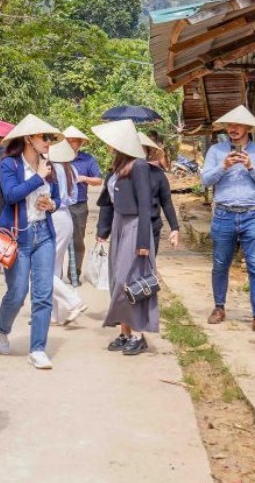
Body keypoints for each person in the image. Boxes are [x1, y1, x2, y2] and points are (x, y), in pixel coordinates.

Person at [199, 106, 255, 336]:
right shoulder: (216, 151)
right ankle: (219, 307)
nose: (232, 129)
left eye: (237, 125)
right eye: (229, 125)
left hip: (252, 214)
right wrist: (223, 166)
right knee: (220, 264)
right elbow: (205, 179)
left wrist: (251, 166)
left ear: (248, 128)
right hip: (224, 213)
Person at [0, 114, 62, 370]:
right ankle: (1, 327)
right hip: (18, 236)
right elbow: (10, 195)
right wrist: (37, 177)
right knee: (18, 293)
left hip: (44, 233)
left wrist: (52, 204)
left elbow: (57, 198)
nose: (48, 142)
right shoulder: (10, 164)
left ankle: (38, 349)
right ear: (29, 139)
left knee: (43, 295)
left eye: (50, 138)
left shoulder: (48, 165)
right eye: (45, 137)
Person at [92, 119, 160, 357]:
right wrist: (103, 231)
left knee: (129, 279)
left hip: (134, 226)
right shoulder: (115, 167)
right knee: (116, 280)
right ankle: (125, 332)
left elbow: (145, 206)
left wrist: (143, 241)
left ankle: (139, 335)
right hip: (119, 225)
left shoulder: (139, 166)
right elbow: (107, 203)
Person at [48, 138, 89, 324]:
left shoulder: (49, 169)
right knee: (55, 267)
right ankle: (52, 314)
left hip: (52, 216)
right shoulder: (71, 169)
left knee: (43, 269)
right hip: (66, 217)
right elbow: (73, 198)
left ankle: (73, 301)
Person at [61, 126, 103, 286]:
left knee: (78, 240)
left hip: (79, 204)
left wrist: (84, 178)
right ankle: (55, 275)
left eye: (75, 141)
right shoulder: (57, 159)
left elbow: (98, 179)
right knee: (58, 240)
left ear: (80, 143)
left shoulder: (87, 159)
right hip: (60, 205)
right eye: (69, 141)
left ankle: (74, 274)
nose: (72, 144)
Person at [139, 132, 180, 256]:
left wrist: (174, 228)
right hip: (128, 226)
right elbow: (108, 203)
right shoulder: (122, 174)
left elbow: (166, 201)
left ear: (148, 152)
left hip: (152, 226)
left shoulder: (157, 174)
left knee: (149, 267)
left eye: (142, 149)